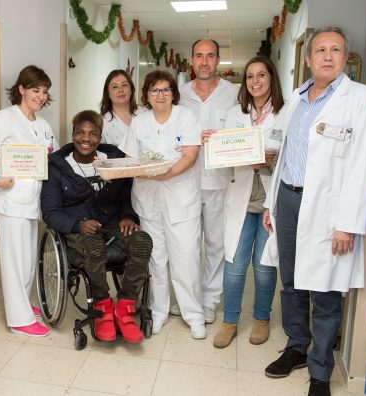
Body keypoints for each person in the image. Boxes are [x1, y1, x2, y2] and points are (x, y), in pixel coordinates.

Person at [261, 28, 366, 396]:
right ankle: (297, 346)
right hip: (287, 199)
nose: (327, 56)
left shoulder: (361, 100)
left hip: (329, 209)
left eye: (336, 50)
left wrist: (348, 224)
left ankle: (320, 371)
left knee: (326, 292)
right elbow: (282, 156)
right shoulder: (297, 100)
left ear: (346, 58)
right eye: (320, 50)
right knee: (291, 281)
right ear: (309, 59)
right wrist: (270, 205)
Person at [41, 110, 153, 343]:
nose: (86, 138)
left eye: (93, 133)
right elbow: (50, 213)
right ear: (72, 135)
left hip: (112, 226)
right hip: (77, 230)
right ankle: (102, 307)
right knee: (94, 248)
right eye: (80, 132)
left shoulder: (113, 160)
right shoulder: (57, 167)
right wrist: (77, 224)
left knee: (143, 241)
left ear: (100, 137)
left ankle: (124, 306)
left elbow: (126, 196)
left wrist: (128, 216)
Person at [0, 65, 58, 337]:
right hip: (10, 202)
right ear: (21, 89)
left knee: (27, 260)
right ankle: (18, 319)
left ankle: (22, 303)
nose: (41, 96)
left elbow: (52, 158)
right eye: (35, 90)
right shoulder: (5, 118)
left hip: (32, 202)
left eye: (44, 91)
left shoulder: (43, 125)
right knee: (13, 260)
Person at [120, 70, 206, 339]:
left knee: (186, 260)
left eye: (166, 90)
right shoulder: (139, 123)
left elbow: (190, 155)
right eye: (155, 90)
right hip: (148, 199)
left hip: (181, 198)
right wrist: (141, 170)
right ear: (146, 95)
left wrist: (165, 174)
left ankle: (194, 314)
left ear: (173, 93)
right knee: (156, 259)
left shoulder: (186, 117)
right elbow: (129, 158)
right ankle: (158, 312)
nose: (160, 95)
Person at [209, 55, 285, 348]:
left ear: (271, 79)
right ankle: (229, 322)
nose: (255, 81)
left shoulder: (286, 112)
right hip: (240, 195)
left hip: (270, 201)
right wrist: (215, 143)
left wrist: (272, 157)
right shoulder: (234, 113)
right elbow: (226, 153)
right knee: (235, 264)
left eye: (261, 75)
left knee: (265, 266)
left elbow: (294, 155)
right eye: (250, 76)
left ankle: (261, 319)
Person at [175, 38, 239, 324]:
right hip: (184, 180)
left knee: (215, 244)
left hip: (219, 181)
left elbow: (243, 131)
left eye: (210, 56)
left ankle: (210, 299)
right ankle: (187, 297)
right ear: (191, 60)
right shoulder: (179, 94)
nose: (204, 62)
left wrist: (222, 138)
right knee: (186, 244)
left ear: (218, 61)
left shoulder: (235, 94)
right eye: (199, 56)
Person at [99, 69, 145, 145]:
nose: (120, 90)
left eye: (124, 85)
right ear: (108, 94)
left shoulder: (145, 113)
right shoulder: (102, 123)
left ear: (131, 90)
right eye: (114, 87)